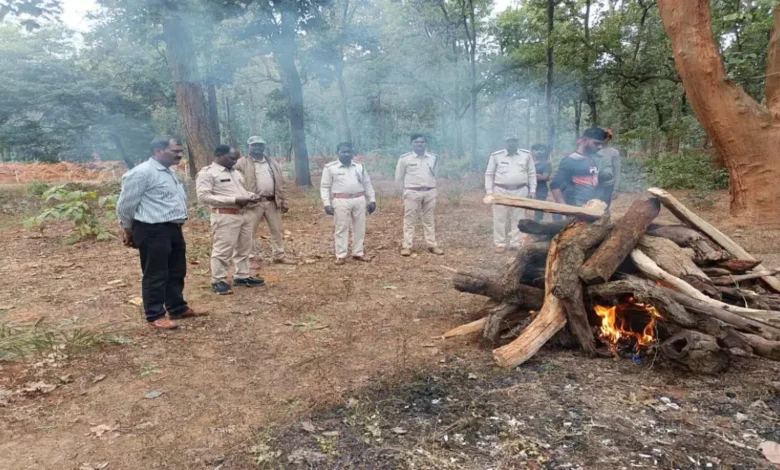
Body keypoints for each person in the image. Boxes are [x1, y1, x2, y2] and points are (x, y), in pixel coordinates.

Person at [116, 137, 207, 330]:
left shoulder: (169, 173)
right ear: (158, 150)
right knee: (156, 274)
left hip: (173, 228)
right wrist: (128, 230)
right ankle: (154, 314)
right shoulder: (141, 173)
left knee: (176, 270)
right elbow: (125, 206)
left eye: (180, 151)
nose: (179, 154)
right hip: (151, 229)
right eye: (175, 151)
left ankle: (177, 307)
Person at [196, 145, 265, 294]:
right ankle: (218, 280)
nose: (235, 161)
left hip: (244, 214)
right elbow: (203, 197)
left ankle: (242, 276)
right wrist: (234, 200)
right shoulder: (207, 173)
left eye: (236, 159)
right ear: (219, 155)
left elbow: (240, 190)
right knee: (223, 249)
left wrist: (250, 195)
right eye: (232, 158)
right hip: (225, 215)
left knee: (244, 248)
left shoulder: (235, 172)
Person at [234, 136, 295, 265]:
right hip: (252, 203)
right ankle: (250, 257)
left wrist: (284, 200)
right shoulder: (241, 163)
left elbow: (281, 183)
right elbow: (235, 183)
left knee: (277, 230)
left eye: (260, 145)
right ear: (248, 147)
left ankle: (279, 255)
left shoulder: (272, 162)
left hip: (273, 201)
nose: (258, 147)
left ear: (264, 147)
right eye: (254, 145)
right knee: (249, 231)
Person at [320, 142, 377, 265]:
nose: (346, 154)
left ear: (352, 152)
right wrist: (326, 203)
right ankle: (341, 255)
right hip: (341, 200)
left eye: (349, 151)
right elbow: (324, 187)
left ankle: (358, 252)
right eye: (343, 152)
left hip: (359, 199)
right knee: (341, 228)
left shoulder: (360, 167)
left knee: (359, 227)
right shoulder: (330, 168)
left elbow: (367, 184)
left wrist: (372, 200)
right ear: (337, 153)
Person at [485, 136, 537, 253]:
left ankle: (516, 242)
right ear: (505, 143)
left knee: (518, 218)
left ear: (517, 142)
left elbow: (531, 174)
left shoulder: (526, 155)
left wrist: (532, 190)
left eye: (513, 141)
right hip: (500, 190)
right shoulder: (496, 156)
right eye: (509, 141)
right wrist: (489, 192)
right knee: (499, 218)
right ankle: (500, 243)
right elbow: (489, 174)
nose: (511, 144)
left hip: (520, 189)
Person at [395, 134, 444, 256]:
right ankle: (407, 246)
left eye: (422, 142)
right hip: (412, 192)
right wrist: (402, 191)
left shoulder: (433, 158)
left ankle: (432, 245)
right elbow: (398, 177)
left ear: (426, 144)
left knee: (429, 219)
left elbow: (437, 174)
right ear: (412, 144)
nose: (419, 144)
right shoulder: (405, 159)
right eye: (416, 142)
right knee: (410, 220)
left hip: (429, 192)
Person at [550, 127, 606, 207]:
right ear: (585, 140)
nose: (600, 147)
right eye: (596, 143)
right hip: (576, 207)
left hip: (591, 206)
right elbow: (554, 185)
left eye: (602, 144)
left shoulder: (594, 159)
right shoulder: (571, 160)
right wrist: (565, 208)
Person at [531, 143, 558, 221]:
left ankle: (537, 228)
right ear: (532, 151)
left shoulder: (547, 164)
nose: (539, 151)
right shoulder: (528, 162)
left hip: (540, 189)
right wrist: (537, 175)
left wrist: (530, 175)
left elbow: (544, 177)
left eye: (541, 149)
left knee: (538, 209)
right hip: (527, 188)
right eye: (536, 149)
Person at [597, 129, 621, 206]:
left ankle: (606, 217)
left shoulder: (614, 152)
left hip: (608, 185)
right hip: (594, 184)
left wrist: (616, 188)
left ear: (608, 139)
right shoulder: (593, 150)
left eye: (606, 137)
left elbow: (616, 171)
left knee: (605, 207)